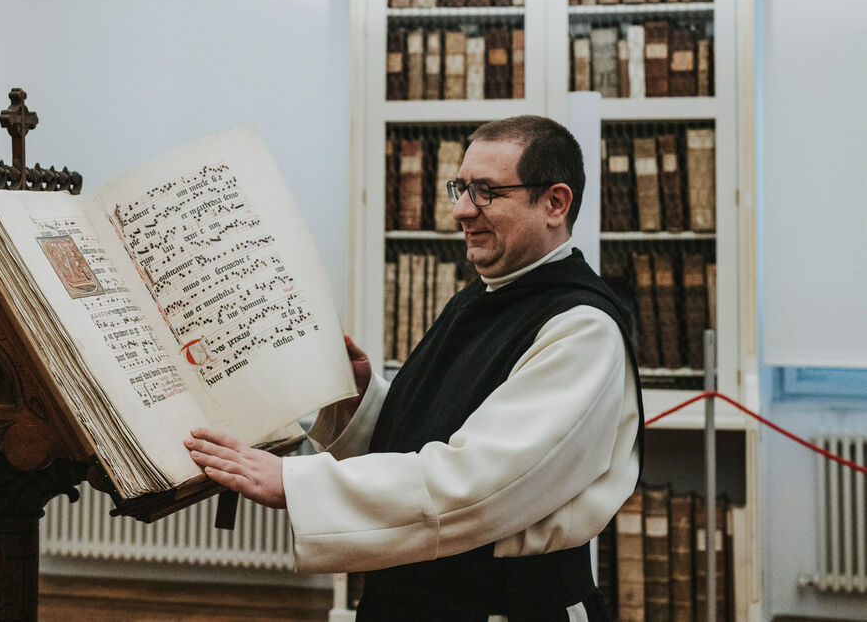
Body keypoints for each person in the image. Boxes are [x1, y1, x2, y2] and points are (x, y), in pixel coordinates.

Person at [185, 115, 644, 621]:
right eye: (461, 188)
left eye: (487, 192)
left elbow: (477, 485)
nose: (460, 210)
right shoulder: (481, 299)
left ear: (555, 203)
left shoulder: (582, 329)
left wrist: (295, 482)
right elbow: (433, 438)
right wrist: (359, 402)